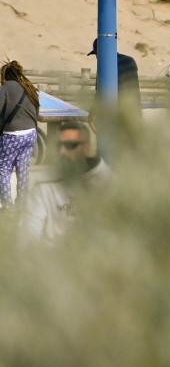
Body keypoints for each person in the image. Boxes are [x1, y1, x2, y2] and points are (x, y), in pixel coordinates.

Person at [21, 121, 112, 243]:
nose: (62, 151)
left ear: (87, 148)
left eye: (70, 145)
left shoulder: (109, 182)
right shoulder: (45, 182)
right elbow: (30, 229)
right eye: (59, 146)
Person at [0, 60, 42, 210]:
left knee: (3, 169)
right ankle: (21, 205)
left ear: (6, 75)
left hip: (13, 135)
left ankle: (7, 206)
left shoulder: (7, 87)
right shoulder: (29, 87)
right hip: (31, 134)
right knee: (23, 170)